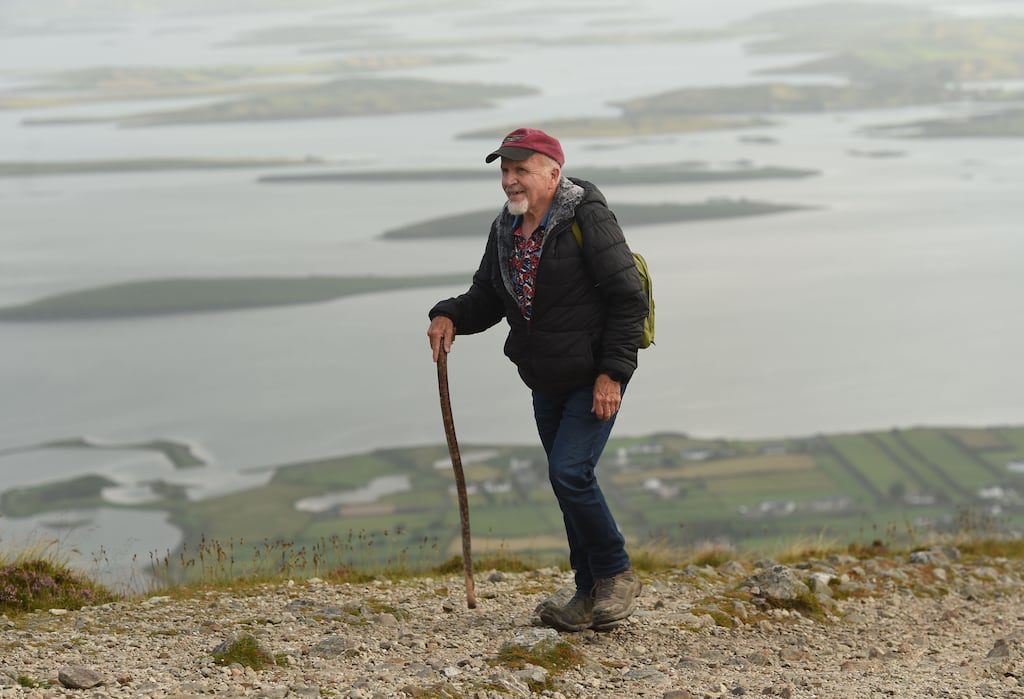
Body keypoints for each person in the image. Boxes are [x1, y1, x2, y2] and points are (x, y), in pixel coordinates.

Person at [426, 127, 649, 631]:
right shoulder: (505, 229)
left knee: (568, 473)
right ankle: (587, 596)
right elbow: (487, 296)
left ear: (553, 171)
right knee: (569, 484)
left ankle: (616, 572)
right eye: (504, 170)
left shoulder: (586, 217)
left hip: (593, 375)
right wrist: (448, 316)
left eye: (520, 169)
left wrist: (613, 373)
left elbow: (627, 297)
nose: (509, 180)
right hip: (544, 378)